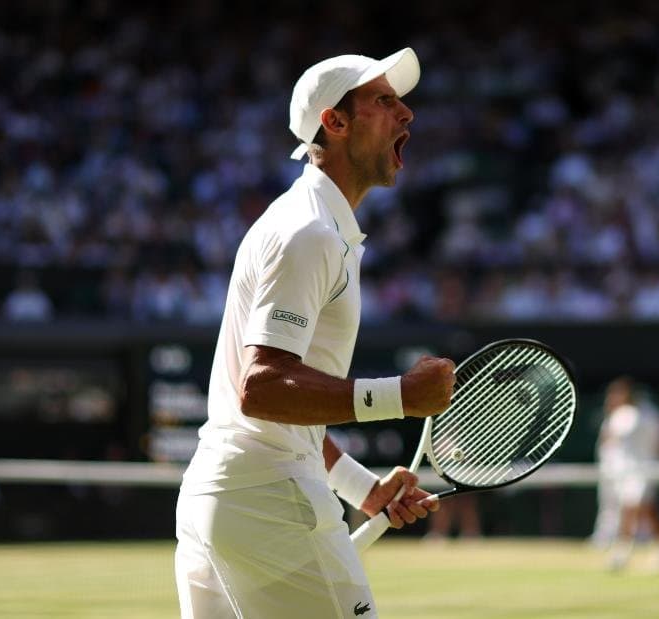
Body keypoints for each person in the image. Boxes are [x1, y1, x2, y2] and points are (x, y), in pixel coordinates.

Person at [175, 48, 456, 619]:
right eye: (383, 100)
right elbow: (264, 388)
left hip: (225, 496)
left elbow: (270, 407)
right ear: (335, 121)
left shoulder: (313, 224)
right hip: (266, 501)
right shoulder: (308, 233)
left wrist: (361, 488)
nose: (406, 114)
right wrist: (400, 396)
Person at [594, 377, 659, 572]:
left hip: (646, 469)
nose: (615, 397)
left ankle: (622, 553)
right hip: (621, 473)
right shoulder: (616, 416)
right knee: (644, 510)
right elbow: (607, 443)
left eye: (619, 393)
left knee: (634, 508)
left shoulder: (649, 415)